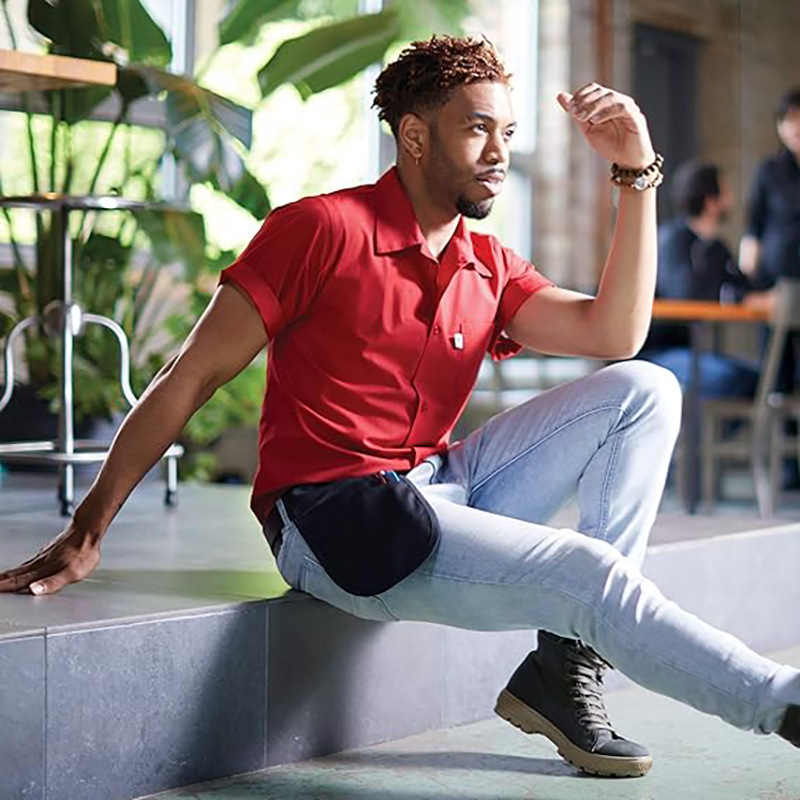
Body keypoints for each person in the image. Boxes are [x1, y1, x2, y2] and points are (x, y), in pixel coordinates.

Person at [1, 36, 799, 780]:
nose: (498, 154)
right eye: (477, 131)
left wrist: (635, 175)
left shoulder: (484, 261)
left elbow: (616, 334)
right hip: (336, 519)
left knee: (646, 388)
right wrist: (87, 530)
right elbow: (189, 377)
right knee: (584, 570)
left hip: (438, 484)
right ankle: (780, 701)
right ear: (414, 137)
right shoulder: (319, 230)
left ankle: (565, 665)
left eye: (507, 132)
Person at [639, 161, 760, 400]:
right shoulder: (672, 241)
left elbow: (742, 287)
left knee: (761, 379)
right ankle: (702, 437)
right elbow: (683, 296)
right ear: (710, 201)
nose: (732, 198)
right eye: (726, 191)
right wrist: (736, 297)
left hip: (692, 350)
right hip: (657, 351)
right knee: (731, 380)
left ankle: (718, 437)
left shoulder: (717, 248)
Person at [740, 88, 800, 483]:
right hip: (778, 289)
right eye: (789, 121)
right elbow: (753, 230)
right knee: (777, 376)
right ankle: (786, 465)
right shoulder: (769, 171)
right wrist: (751, 280)